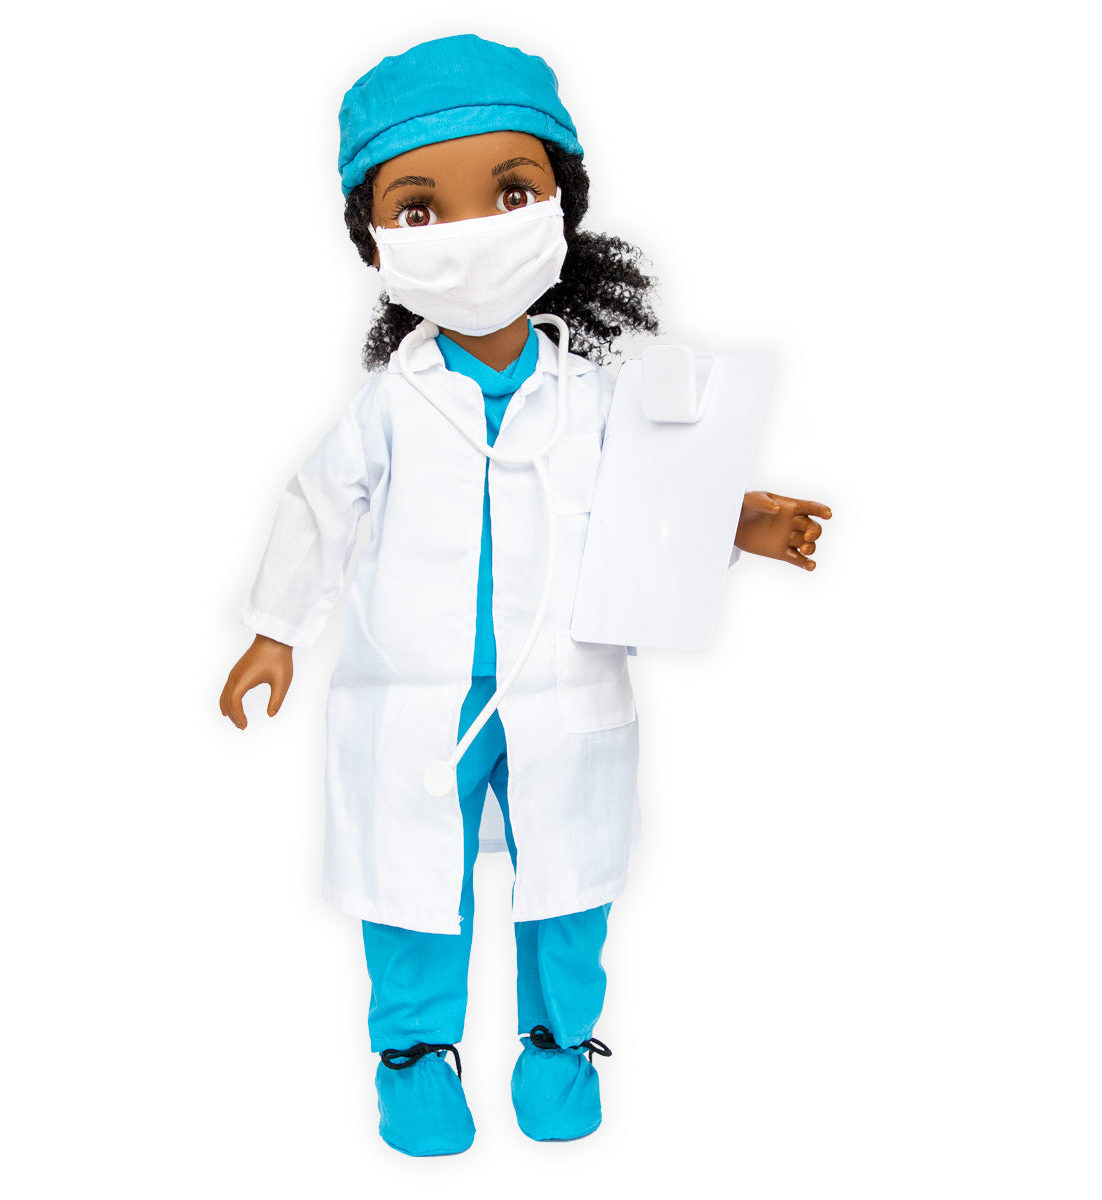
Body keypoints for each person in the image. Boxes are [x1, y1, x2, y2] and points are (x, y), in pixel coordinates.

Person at [219, 34, 831, 1157]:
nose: (469, 232)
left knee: (571, 876)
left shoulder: (594, 397)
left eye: (508, 192)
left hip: (565, 682)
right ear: (374, 237)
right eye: (420, 209)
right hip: (419, 697)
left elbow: (660, 498)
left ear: (560, 204)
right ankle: (414, 1060)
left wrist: (739, 522)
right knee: (415, 882)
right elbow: (318, 509)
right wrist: (274, 633)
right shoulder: (390, 405)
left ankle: (559, 1053)